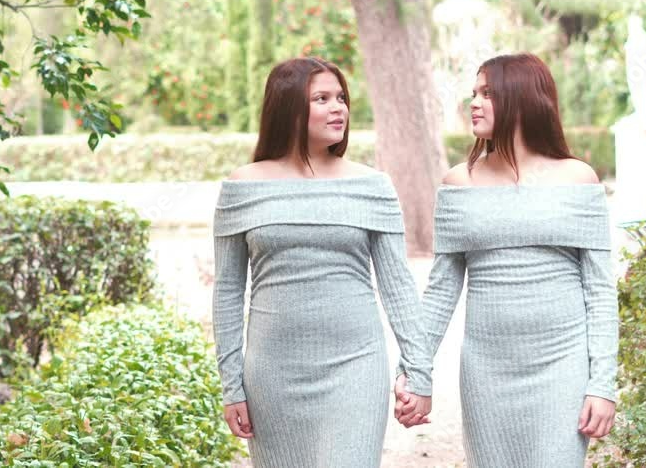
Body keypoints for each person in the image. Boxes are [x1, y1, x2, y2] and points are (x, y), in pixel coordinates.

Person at [395, 53, 618, 467]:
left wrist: (602, 385)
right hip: (486, 371)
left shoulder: (578, 179)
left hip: (562, 367)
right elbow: (441, 290)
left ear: (523, 100)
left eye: (488, 93)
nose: (474, 103)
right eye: (474, 93)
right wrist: (414, 369)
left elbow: (601, 292)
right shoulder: (459, 184)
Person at [212, 56, 433, 467]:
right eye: (322, 98)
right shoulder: (243, 187)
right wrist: (232, 386)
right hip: (271, 376)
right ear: (287, 108)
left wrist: (418, 371)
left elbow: (398, 286)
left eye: (342, 98)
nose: (339, 108)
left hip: (355, 369)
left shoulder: (372, 186)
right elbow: (227, 291)